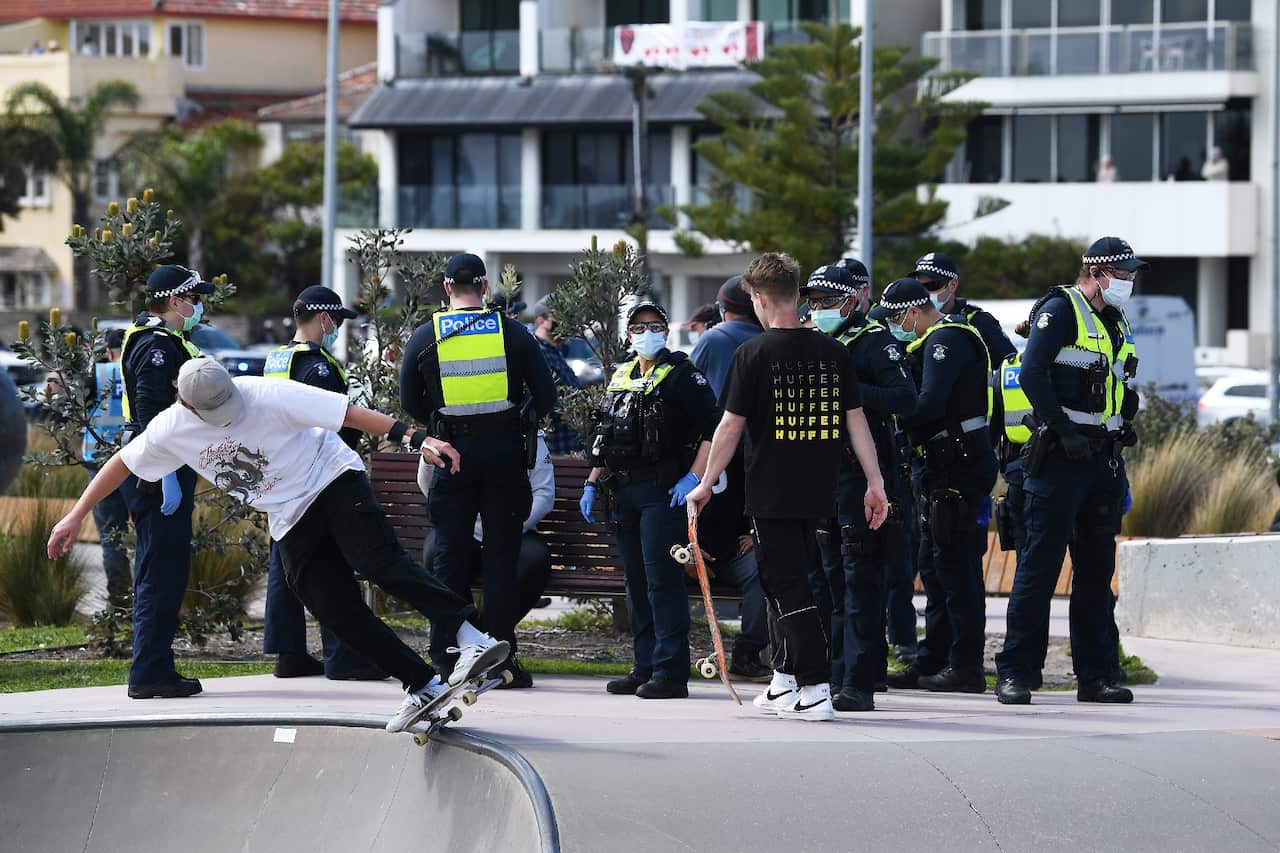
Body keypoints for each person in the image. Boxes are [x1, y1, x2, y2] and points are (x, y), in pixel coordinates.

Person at [48, 358, 507, 732]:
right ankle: (422, 683)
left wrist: (417, 438)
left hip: (331, 477)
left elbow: (346, 412)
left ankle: (471, 636)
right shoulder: (170, 428)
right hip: (288, 514)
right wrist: (74, 515)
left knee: (378, 562)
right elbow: (121, 465)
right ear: (186, 406)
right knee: (330, 605)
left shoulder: (264, 392)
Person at [686, 252, 889, 722]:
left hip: (773, 491)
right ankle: (785, 680)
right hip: (820, 488)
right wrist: (875, 482)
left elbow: (729, 428)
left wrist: (705, 483)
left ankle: (817, 687)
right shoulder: (834, 352)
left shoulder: (753, 353)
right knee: (794, 581)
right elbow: (857, 422)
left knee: (785, 584)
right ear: (798, 294)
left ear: (758, 298)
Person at [994, 237, 1145, 706]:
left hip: (1103, 460)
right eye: (1122, 274)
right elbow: (1034, 373)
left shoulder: (1114, 319)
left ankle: (1095, 676)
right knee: (1038, 570)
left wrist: (1125, 418)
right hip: (1059, 459)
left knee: (1096, 576)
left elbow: (1114, 381)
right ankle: (1016, 674)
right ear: (1097, 272)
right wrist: (1063, 429)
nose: (1128, 282)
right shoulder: (1061, 309)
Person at [401, 252, 556, 688]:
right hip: (505, 454)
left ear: (447, 288)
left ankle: (446, 658)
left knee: (448, 556)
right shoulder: (513, 331)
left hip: (451, 451)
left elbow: (409, 401)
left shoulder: (425, 336)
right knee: (501, 559)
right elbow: (546, 396)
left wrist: (440, 419)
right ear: (485, 287)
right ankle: (501, 658)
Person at [581, 302, 721, 699]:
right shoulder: (622, 375)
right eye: (639, 327)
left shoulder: (681, 376)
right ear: (628, 334)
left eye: (655, 325)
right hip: (623, 491)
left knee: (662, 582)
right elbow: (606, 436)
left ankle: (670, 672)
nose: (647, 333)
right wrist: (592, 481)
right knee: (636, 583)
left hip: (663, 493)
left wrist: (695, 476)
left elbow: (716, 427)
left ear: (666, 331)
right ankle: (643, 666)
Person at [875, 278, 998, 695]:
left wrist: (876, 403)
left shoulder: (947, 340)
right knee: (935, 568)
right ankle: (934, 658)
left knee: (958, 571)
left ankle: (965, 667)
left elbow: (928, 404)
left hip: (958, 471)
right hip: (940, 471)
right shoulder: (930, 342)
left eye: (896, 317)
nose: (895, 325)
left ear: (912, 312)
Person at [803, 261, 916, 711]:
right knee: (826, 582)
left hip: (860, 476)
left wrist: (850, 392)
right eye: (813, 303)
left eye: (828, 302)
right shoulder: (815, 342)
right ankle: (833, 675)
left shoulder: (874, 343)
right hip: (819, 476)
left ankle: (860, 681)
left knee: (859, 581)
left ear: (852, 300)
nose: (819, 310)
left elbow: (906, 399)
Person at [261, 285, 384, 681]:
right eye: (337, 321)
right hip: (315, 478)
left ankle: (289, 652)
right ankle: (344, 657)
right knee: (330, 563)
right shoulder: (317, 366)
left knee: (285, 560)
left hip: (280, 475)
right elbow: (335, 421)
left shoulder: (276, 359)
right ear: (324, 319)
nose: (337, 329)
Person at [117, 264, 208, 699]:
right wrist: (168, 474)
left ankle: (156, 664)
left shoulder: (159, 338)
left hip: (160, 466)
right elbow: (152, 416)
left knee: (164, 570)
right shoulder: (155, 345)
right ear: (176, 301)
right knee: (161, 572)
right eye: (193, 297)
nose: (197, 305)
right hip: (157, 469)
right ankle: (149, 671)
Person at [420, 431, 555, 686]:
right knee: (438, 556)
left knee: (532, 560)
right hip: (461, 528)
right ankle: (454, 652)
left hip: (514, 526)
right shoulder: (444, 429)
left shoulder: (528, 434)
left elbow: (544, 494)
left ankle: (494, 649)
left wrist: (512, 525)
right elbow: (429, 484)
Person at [83, 328, 130, 609]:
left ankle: (120, 601)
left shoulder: (95, 376)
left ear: (109, 350)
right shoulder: (138, 372)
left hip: (99, 462)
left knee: (112, 538)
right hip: (135, 461)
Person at [911, 251, 1016, 373]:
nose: (925, 293)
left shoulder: (979, 322)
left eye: (932, 285)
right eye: (918, 286)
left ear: (953, 285)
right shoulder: (908, 322)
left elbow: (1011, 367)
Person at [689, 276, 761, 395]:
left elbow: (686, 381)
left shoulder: (712, 339)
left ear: (723, 310)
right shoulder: (770, 337)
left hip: (720, 413)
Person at [529, 296, 582, 455]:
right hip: (553, 449)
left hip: (567, 445)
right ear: (541, 321)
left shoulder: (554, 351)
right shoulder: (537, 352)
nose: (564, 325)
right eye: (559, 319)